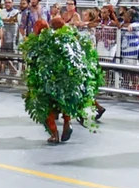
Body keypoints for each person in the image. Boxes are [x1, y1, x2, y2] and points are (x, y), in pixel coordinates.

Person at [20, 17, 104, 145]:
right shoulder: (70, 39)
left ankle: (54, 134)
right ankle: (68, 122)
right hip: (69, 79)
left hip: (49, 81)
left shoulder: (42, 44)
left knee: (45, 106)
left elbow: (34, 64)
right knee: (66, 101)